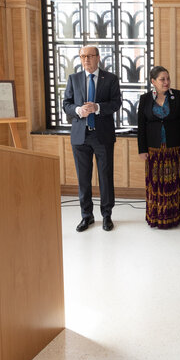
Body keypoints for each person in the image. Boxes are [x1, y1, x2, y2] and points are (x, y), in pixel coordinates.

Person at [62, 45, 122, 232]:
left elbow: (116, 103)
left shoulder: (110, 78)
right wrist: (78, 110)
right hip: (80, 136)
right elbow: (66, 104)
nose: (86, 59)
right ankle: (86, 216)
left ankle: (107, 215)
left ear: (98, 58)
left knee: (105, 176)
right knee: (83, 179)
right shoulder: (74, 78)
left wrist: (97, 107)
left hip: (102, 135)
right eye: (82, 56)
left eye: (89, 56)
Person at [137, 66, 180, 229]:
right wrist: (142, 149)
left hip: (174, 148)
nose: (166, 82)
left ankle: (176, 215)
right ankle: (157, 216)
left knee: (174, 183)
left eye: (167, 78)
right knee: (156, 184)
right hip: (153, 149)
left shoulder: (178, 96)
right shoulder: (145, 99)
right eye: (162, 79)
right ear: (153, 81)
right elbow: (141, 126)